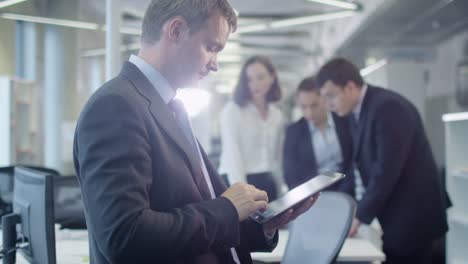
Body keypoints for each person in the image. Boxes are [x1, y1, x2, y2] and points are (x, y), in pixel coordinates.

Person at [73, 1, 317, 264]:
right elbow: (125, 236)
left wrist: (264, 224)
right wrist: (228, 209)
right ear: (176, 30)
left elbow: (203, 209)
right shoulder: (116, 106)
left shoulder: (168, 106)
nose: (215, 65)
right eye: (211, 47)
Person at [317, 58, 448, 264]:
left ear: (350, 87)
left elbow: (386, 170)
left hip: (414, 216)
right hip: (398, 216)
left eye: (331, 96)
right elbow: (356, 164)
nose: (329, 105)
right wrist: (341, 208)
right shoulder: (357, 111)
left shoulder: (387, 107)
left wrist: (358, 217)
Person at [218, 55, 284, 201]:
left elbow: (277, 158)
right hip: (235, 181)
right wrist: (243, 195)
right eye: (249, 79)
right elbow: (232, 154)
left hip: (267, 181)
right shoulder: (232, 110)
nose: (255, 84)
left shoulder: (277, 115)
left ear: (272, 78)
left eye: (260, 77)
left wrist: (280, 190)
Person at [282, 76, 354, 194]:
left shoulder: (343, 120)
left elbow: (353, 160)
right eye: (304, 107)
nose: (309, 113)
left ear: (325, 99)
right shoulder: (294, 131)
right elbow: (290, 175)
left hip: (347, 190)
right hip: (313, 195)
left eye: (314, 105)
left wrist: (346, 190)